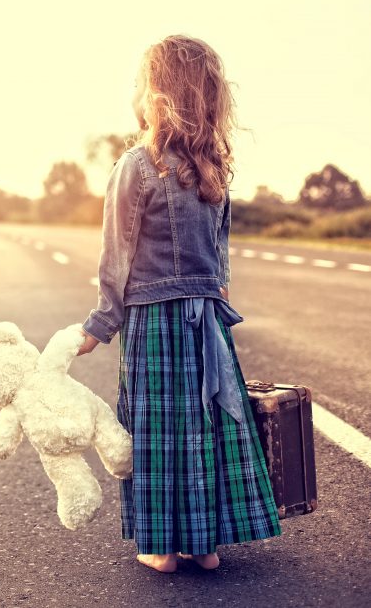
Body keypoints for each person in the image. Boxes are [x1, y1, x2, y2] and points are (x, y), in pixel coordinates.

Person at [76, 35, 282, 573]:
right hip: (206, 319)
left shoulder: (138, 165)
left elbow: (116, 256)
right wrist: (216, 299)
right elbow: (220, 255)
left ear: (157, 94)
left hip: (154, 319)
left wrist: (100, 323)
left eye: (140, 83)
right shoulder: (212, 169)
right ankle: (205, 544)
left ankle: (161, 547)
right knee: (204, 424)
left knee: (158, 429)